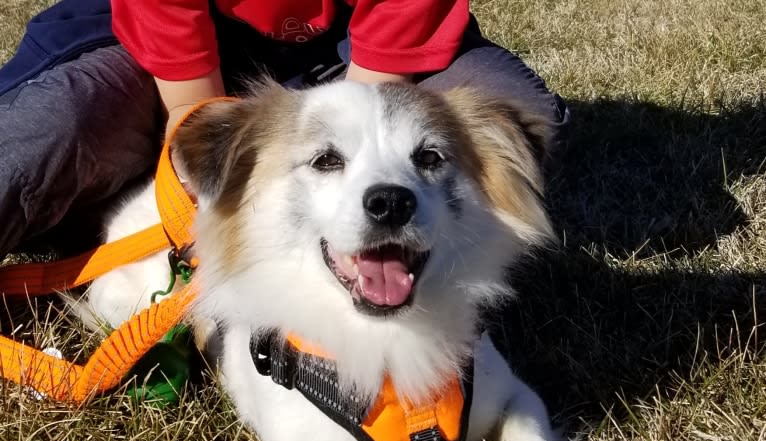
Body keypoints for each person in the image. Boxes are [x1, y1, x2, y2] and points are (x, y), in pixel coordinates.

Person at [0, 0, 568, 258]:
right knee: (51, 132)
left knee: (509, 121)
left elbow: (364, 114)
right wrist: (195, 193)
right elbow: (193, 116)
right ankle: (112, 202)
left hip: (348, 43)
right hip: (150, 40)